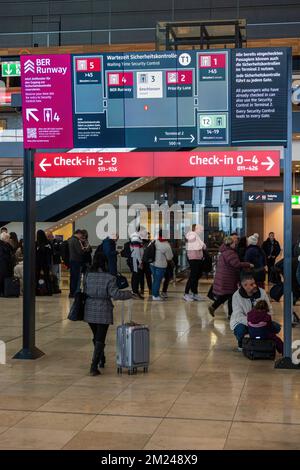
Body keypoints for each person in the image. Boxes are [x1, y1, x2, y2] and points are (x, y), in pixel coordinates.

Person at [84, 252, 132, 376]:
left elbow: (85, 291)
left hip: (89, 308)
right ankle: (93, 366)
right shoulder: (109, 278)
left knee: (96, 336)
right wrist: (129, 294)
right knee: (100, 337)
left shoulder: (88, 276)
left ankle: (101, 358)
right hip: (103, 309)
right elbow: (115, 294)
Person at [230, 273, 281, 351]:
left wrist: (262, 321)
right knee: (240, 330)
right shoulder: (236, 296)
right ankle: (241, 343)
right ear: (244, 286)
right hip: (244, 322)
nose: (255, 286)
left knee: (276, 327)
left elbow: (269, 310)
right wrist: (252, 322)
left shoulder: (262, 293)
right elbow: (238, 316)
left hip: (261, 322)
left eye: (254, 283)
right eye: (251, 284)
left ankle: (263, 342)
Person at [209, 236, 253, 318]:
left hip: (225, 276)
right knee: (231, 295)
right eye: (234, 243)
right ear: (230, 244)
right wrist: (248, 264)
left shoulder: (224, 251)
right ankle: (230, 314)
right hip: (228, 277)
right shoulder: (230, 252)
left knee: (228, 295)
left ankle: (214, 307)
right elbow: (236, 264)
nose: (235, 244)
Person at [183, 224, 206, 301]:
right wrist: (202, 245)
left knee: (196, 276)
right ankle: (186, 293)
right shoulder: (192, 235)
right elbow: (202, 246)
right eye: (200, 228)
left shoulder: (196, 235)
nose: (201, 230)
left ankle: (194, 293)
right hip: (193, 258)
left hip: (197, 258)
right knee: (193, 276)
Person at [150, 229, 173, 301]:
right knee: (157, 280)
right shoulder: (166, 245)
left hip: (152, 264)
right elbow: (169, 257)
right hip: (160, 265)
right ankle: (155, 295)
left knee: (155, 280)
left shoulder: (154, 241)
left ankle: (154, 293)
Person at [68, 229, 85, 298]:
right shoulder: (75, 240)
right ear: (78, 233)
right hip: (76, 261)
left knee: (73, 277)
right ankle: (74, 292)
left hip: (72, 260)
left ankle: (72, 292)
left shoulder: (70, 239)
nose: (81, 236)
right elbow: (79, 251)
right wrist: (83, 249)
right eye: (81, 235)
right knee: (75, 277)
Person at [36, 230, 53, 295]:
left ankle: (37, 290)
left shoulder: (37, 243)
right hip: (46, 263)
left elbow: (35, 254)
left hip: (38, 263)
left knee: (37, 277)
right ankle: (48, 291)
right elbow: (51, 253)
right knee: (47, 277)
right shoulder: (48, 243)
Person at [129, 231, 144, 299]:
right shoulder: (135, 238)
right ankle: (135, 292)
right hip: (136, 260)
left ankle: (135, 292)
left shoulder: (137, 237)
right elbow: (137, 251)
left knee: (136, 276)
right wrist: (140, 262)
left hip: (137, 259)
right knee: (136, 276)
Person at [139, 230, 152, 295]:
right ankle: (142, 289)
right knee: (141, 277)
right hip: (141, 262)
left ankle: (150, 289)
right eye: (148, 236)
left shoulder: (150, 243)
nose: (149, 237)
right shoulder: (140, 243)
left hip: (147, 262)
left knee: (148, 276)